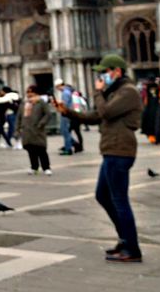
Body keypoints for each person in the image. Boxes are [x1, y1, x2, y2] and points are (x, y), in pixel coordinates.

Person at [56, 54, 143, 263]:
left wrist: (98, 91)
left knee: (120, 200)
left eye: (105, 71)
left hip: (119, 151)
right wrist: (67, 112)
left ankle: (132, 248)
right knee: (103, 195)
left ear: (117, 72)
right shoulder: (116, 92)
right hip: (111, 150)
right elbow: (97, 116)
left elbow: (107, 112)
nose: (102, 76)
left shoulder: (128, 92)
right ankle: (125, 240)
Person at [17, 84, 54, 175]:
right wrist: (17, 128)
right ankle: (34, 167)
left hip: (37, 129)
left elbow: (48, 114)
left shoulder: (41, 102)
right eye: (28, 92)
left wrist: (41, 123)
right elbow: (19, 116)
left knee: (41, 149)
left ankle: (46, 167)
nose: (29, 94)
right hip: (26, 129)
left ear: (36, 93)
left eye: (31, 92)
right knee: (30, 149)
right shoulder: (24, 103)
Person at [55, 80, 75, 155]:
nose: (57, 89)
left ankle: (68, 148)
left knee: (65, 130)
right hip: (68, 113)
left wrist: (58, 105)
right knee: (65, 130)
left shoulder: (65, 93)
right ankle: (72, 143)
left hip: (66, 114)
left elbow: (65, 105)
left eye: (57, 87)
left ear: (60, 85)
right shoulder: (67, 92)